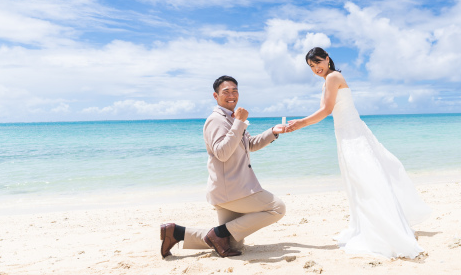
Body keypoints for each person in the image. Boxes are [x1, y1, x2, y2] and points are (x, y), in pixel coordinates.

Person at [286, 47, 432, 258]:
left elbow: (326, 111)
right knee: (361, 180)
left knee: (365, 180)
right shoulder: (331, 79)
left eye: (317, 63)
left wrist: (300, 123)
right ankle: (373, 225)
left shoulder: (333, 77)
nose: (315, 68)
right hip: (348, 133)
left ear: (327, 59)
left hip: (352, 135)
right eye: (311, 67)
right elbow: (328, 110)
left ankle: (383, 230)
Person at [160, 75, 287, 258]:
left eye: (235, 90)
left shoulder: (231, 118)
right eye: (226, 91)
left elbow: (249, 144)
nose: (231, 95)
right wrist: (239, 123)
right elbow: (222, 153)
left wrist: (273, 132)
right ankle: (218, 234)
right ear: (215, 96)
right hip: (233, 190)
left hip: (229, 191)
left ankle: (176, 232)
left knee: (232, 242)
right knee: (277, 208)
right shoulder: (216, 120)